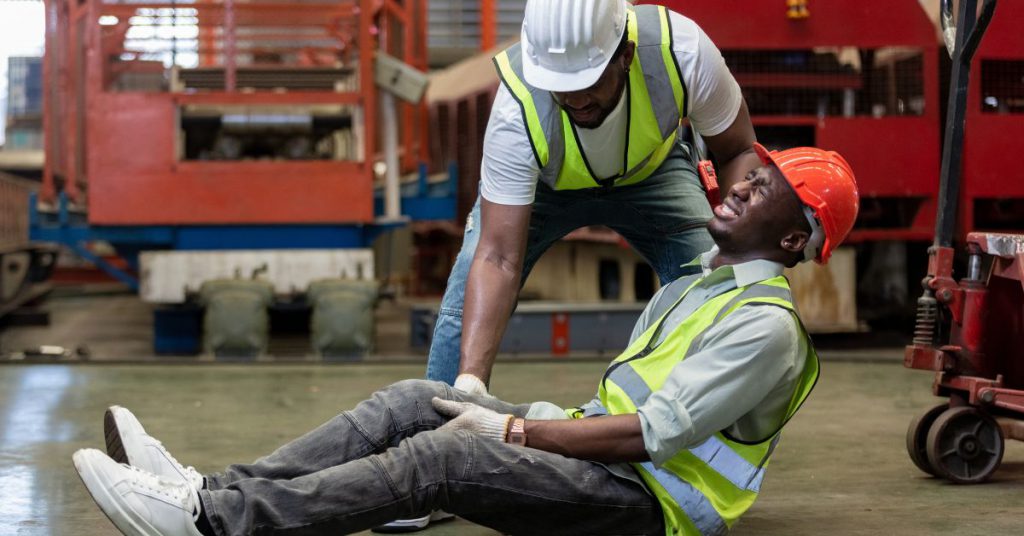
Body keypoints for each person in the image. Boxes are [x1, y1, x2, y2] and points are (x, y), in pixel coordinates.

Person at [73, 144, 859, 536]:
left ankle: (214, 524)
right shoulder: (700, 284)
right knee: (420, 399)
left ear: (793, 244)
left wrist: (512, 430)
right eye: (750, 175)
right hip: (615, 465)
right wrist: (515, 416)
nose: (742, 185)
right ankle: (212, 488)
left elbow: (651, 434)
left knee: (446, 456)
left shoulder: (763, 328)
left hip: (655, 506)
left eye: (766, 193)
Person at [428, 0, 762, 396]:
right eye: (562, 87)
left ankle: (708, 414)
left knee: (714, 280)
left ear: (627, 55)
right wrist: (470, 388)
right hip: (544, 191)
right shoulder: (516, 109)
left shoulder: (683, 52)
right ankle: (443, 425)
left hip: (651, 174)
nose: (576, 99)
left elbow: (738, 151)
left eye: (590, 83)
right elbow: (499, 257)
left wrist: (737, 251)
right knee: (467, 293)